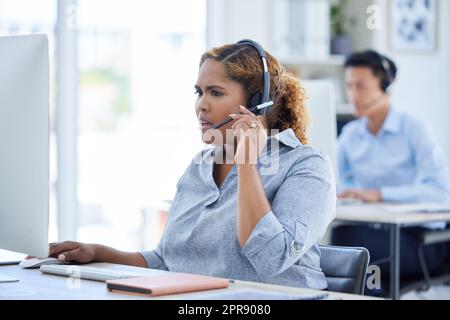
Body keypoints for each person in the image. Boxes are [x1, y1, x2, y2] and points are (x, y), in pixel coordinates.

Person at [48, 40, 336, 290]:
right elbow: (167, 261)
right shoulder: (200, 166)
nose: (202, 105)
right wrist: (99, 252)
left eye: (216, 92)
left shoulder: (306, 166)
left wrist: (248, 163)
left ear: (258, 102)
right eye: (199, 92)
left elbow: (271, 258)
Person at [332, 50, 450, 287]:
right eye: (349, 86)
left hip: (421, 240)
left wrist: (379, 194)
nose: (353, 95)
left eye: (361, 86)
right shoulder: (350, 135)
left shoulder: (415, 129)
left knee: (345, 240)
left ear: (386, 86)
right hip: (377, 232)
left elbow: (440, 192)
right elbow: (338, 182)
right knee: (342, 252)